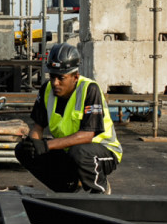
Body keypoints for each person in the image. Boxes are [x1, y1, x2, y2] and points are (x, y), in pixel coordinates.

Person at [15, 43, 122, 194]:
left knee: (80, 152)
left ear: (75, 77)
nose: (55, 83)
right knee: (23, 150)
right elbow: (38, 128)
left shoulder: (89, 89)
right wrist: (33, 144)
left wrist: (47, 146)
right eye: (52, 76)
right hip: (68, 151)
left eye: (61, 78)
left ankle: (100, 190)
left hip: (103, 152)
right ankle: (67, 188)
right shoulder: (46, 90)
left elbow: (87, 135)